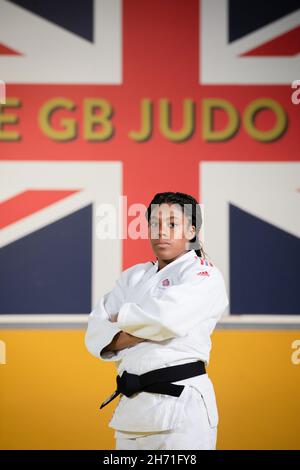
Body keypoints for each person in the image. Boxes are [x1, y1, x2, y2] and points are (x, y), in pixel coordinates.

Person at [85, 192, 229, 450]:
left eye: (173, 224)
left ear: (191, 229)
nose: (161, 232)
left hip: (182, 407)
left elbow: (167, 321)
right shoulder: (133, 276)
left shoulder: (203, 274)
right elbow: (95, 332)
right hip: (131, 410)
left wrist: (122, 322)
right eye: (154, 224)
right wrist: (144, 325)